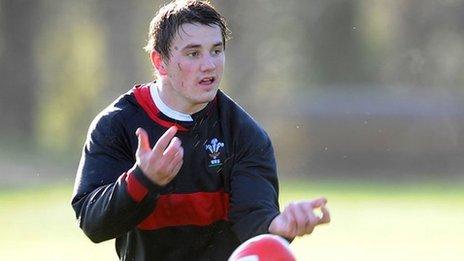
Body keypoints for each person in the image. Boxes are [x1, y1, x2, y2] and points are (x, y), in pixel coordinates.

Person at [71, 0, 330, 260]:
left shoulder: (244, 134)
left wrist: (279, 227)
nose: (209, 65)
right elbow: (92, 223)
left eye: (216, 51)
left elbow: (254, 219)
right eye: (193, 53)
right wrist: (141, 180)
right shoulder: (116, 125)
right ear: (160, 62)